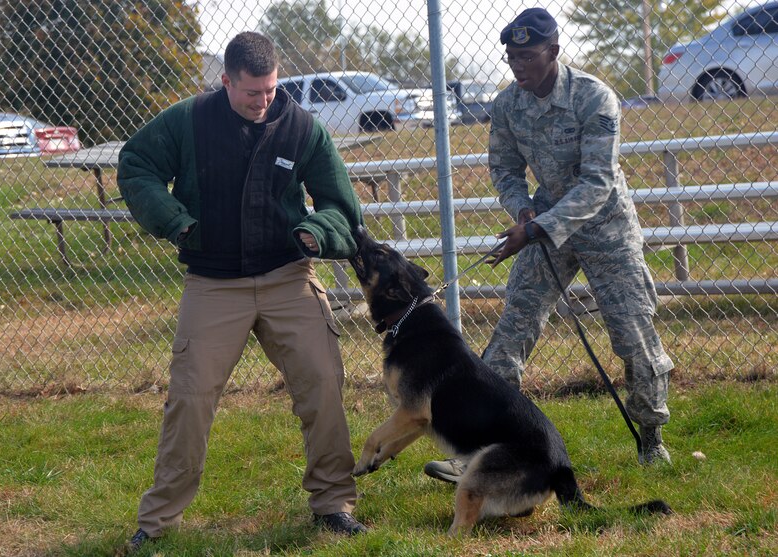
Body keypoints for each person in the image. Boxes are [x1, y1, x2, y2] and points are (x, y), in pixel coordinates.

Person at [117, 32, 367, 552]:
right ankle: (158, 521)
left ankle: (333, 504)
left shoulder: (302, 128)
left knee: (323, 382)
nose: (263, 101)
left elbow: (343, 208)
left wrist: (316, 232)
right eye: (252, 92)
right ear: (225, 81)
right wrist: (177, 224)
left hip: (288, 277)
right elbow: (136, 165)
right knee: (190, 398)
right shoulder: (187, 120)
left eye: (272, 90)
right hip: (213, 282)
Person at [424, 7, 674, 484]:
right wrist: (522, 209)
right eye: (511, 56)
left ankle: (651, 437)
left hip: (606, 230)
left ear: (554, 52)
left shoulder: (593, 97)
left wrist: (535, 229)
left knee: (633, 335)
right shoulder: (507, 105)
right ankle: (480, 448)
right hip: (542, 224)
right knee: (512, 331)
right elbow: (503, 168)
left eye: (528, 55)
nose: (518, 65)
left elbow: (598, 182)